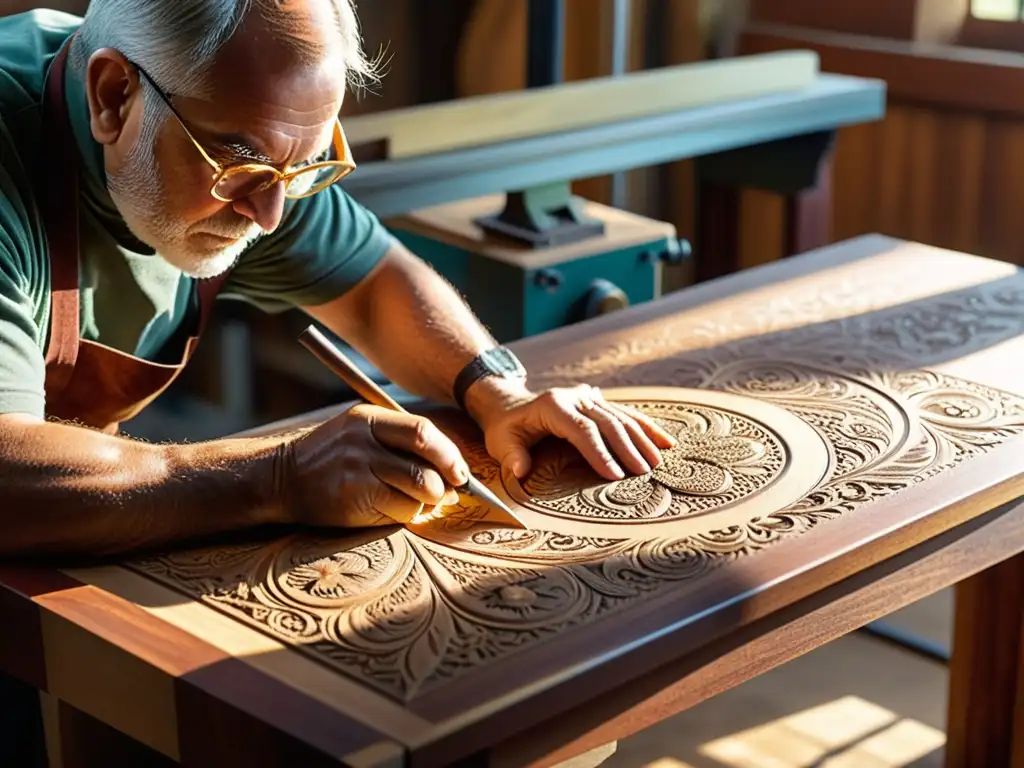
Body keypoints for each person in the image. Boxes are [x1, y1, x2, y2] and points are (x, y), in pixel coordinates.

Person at [0, 0, 676, 561]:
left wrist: (496, 392)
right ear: (114, 96)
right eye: (243, 167)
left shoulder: (245, 136)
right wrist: (276, 479)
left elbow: (378, 285)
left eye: (302, 169)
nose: (268, 217)